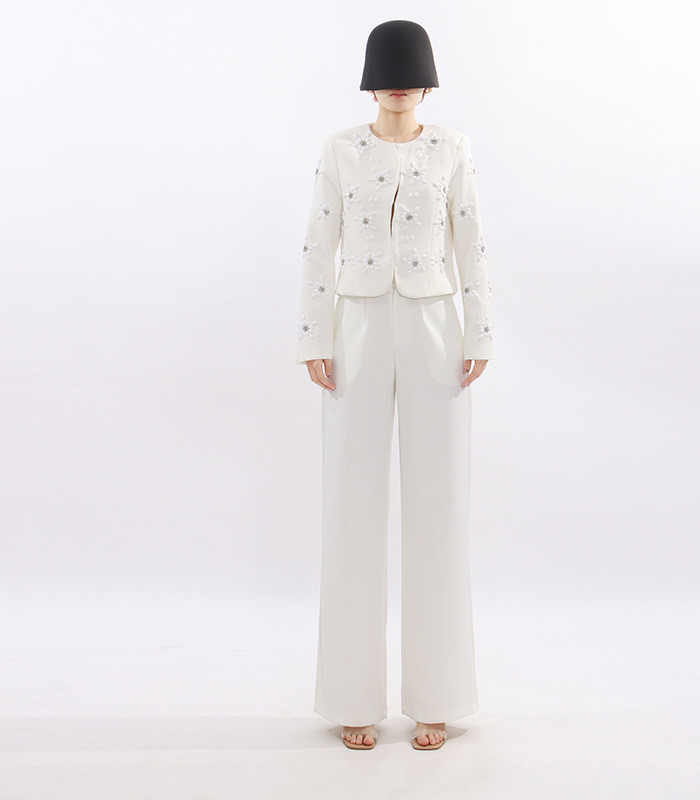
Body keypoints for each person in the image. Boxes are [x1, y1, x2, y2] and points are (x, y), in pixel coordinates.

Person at [295, 19, 494, 750]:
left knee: (438, 501)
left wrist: (480, 331)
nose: (399, 85)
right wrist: (314, 335)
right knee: (352, 499)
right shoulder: (340, 149)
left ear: (428, 82)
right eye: (388, 73)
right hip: (356, 324)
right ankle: (353, 696)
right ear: (370, 81)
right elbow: (319, 243)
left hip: (436, 325)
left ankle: (437, 697)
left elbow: (470, 241)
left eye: (411, 73)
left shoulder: (453, 148)